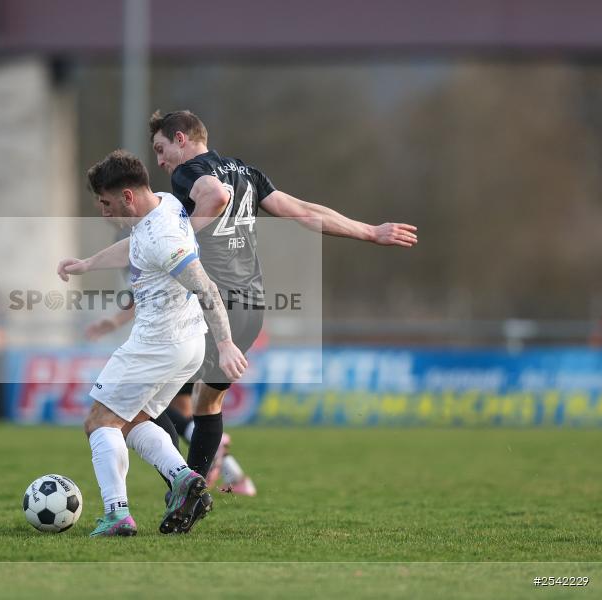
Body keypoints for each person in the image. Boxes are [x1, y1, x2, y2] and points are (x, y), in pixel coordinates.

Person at [147, 109, 418, 495]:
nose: (160, 161)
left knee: (146, 400)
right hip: (251, 309)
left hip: (213, 308)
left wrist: (176, 244)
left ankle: (183, 483)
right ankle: (192, 495)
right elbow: (305, 213)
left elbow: (215, 195)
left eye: (161, 149)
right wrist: (370, 231)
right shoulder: (247, 173)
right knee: (206, 405)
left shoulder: (188, 172)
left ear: (181, 139)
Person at [57, 150, 247, 537]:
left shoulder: (161, 237)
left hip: (157, 343)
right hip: (185, 345)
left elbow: (205, 287)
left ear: (127, 197)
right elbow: (133, 247)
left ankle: (116, 514)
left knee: (98, 422)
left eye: (107, 204)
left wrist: (226, 344)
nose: (104, 213)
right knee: (134, 421)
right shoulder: (167, 205)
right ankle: (183, 478)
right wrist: (88, 264)